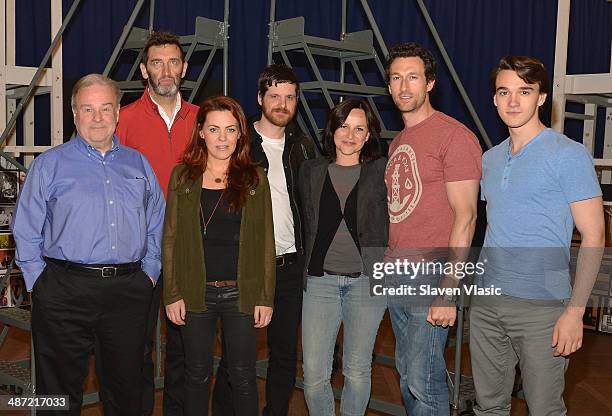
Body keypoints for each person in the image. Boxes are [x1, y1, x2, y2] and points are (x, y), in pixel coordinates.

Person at [13, 74, 164, 415]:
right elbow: (25, 230)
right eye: (88, 109)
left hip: (128, 292)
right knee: (58, 394)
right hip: (64, 291)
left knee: (127, 390)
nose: (97, 117)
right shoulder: (49, 165)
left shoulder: (138, 164)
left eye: (105, 108)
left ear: (118, 112)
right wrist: (40, 282)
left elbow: (157, 221)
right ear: (74, 113)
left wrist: (150, 272)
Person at [471, 56, 604, 415]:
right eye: (504, 92)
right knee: (488, 406)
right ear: (495, 99)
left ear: (542, 97)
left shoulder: (569, 155)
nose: (513, 101)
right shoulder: (490, 159)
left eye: (524, 91)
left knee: (544, 409)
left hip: (543, 308)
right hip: (486, 303)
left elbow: (594, 236)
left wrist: (575, 312)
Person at [212, 64, 316, 416]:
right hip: (246, 266)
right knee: (235, 354)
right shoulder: (238, 144)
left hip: (288, 265)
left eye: (289, 97)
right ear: (260, 98)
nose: (282, 104)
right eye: (275, 96)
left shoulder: (303, 146)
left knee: (284, 353)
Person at [384, 43, 482, 415]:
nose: (403, 86)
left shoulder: (454, 137)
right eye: (396, 78)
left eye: (412, 77)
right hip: (397, 271)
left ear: (430, 83)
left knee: (423, 381)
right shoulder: (399, 142)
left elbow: (467, 216)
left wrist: (448, 290)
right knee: (408, 373)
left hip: (433, 273)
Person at [163, 95, 276, 416]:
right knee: (196, 376)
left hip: (242, 294)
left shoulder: (255, 178)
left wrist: (265, 297)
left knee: (242, 377)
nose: (222, 138)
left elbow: (266, 241)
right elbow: (169, 238)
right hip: (194, 292)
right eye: (214, 129)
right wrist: (171, 293)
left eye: (230, 130)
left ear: (241, 133)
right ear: (200, 132)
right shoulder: (181, 177)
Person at [115, 30, 199, 416]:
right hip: (138, 253)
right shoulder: (123, 120)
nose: (165, 70)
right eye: (156, 62)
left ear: (183, 68)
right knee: (137, 347)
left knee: (187, 347)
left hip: (189, 252)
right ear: (145, 71)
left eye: (172, 62)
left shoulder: (203, 120)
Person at [298, 98, 388, 415]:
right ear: (332, 129)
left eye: (359, 128)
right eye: (344, 126)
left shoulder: (381, 172)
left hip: (366, 283)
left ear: (368, 136)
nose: (350, 135)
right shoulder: (311, 171)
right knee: (313, 376)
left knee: (358, 370)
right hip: (320, 282)